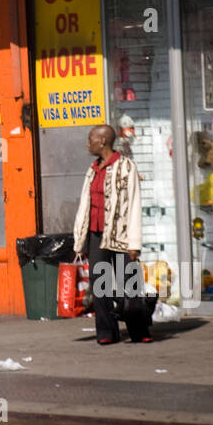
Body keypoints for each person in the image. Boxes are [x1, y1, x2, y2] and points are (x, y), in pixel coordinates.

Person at [72, 124, 150, 345]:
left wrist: (134, 243)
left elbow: (134, 204)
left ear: (103, 141)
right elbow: (84, 205)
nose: (88, 144)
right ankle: (106, 332)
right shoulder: (93, 169)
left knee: (130, 285)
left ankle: (139, 330)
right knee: (100, 285)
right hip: (97, 235)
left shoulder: (126, 167)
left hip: (122, 236)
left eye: (91, 140)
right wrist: (80, 240)